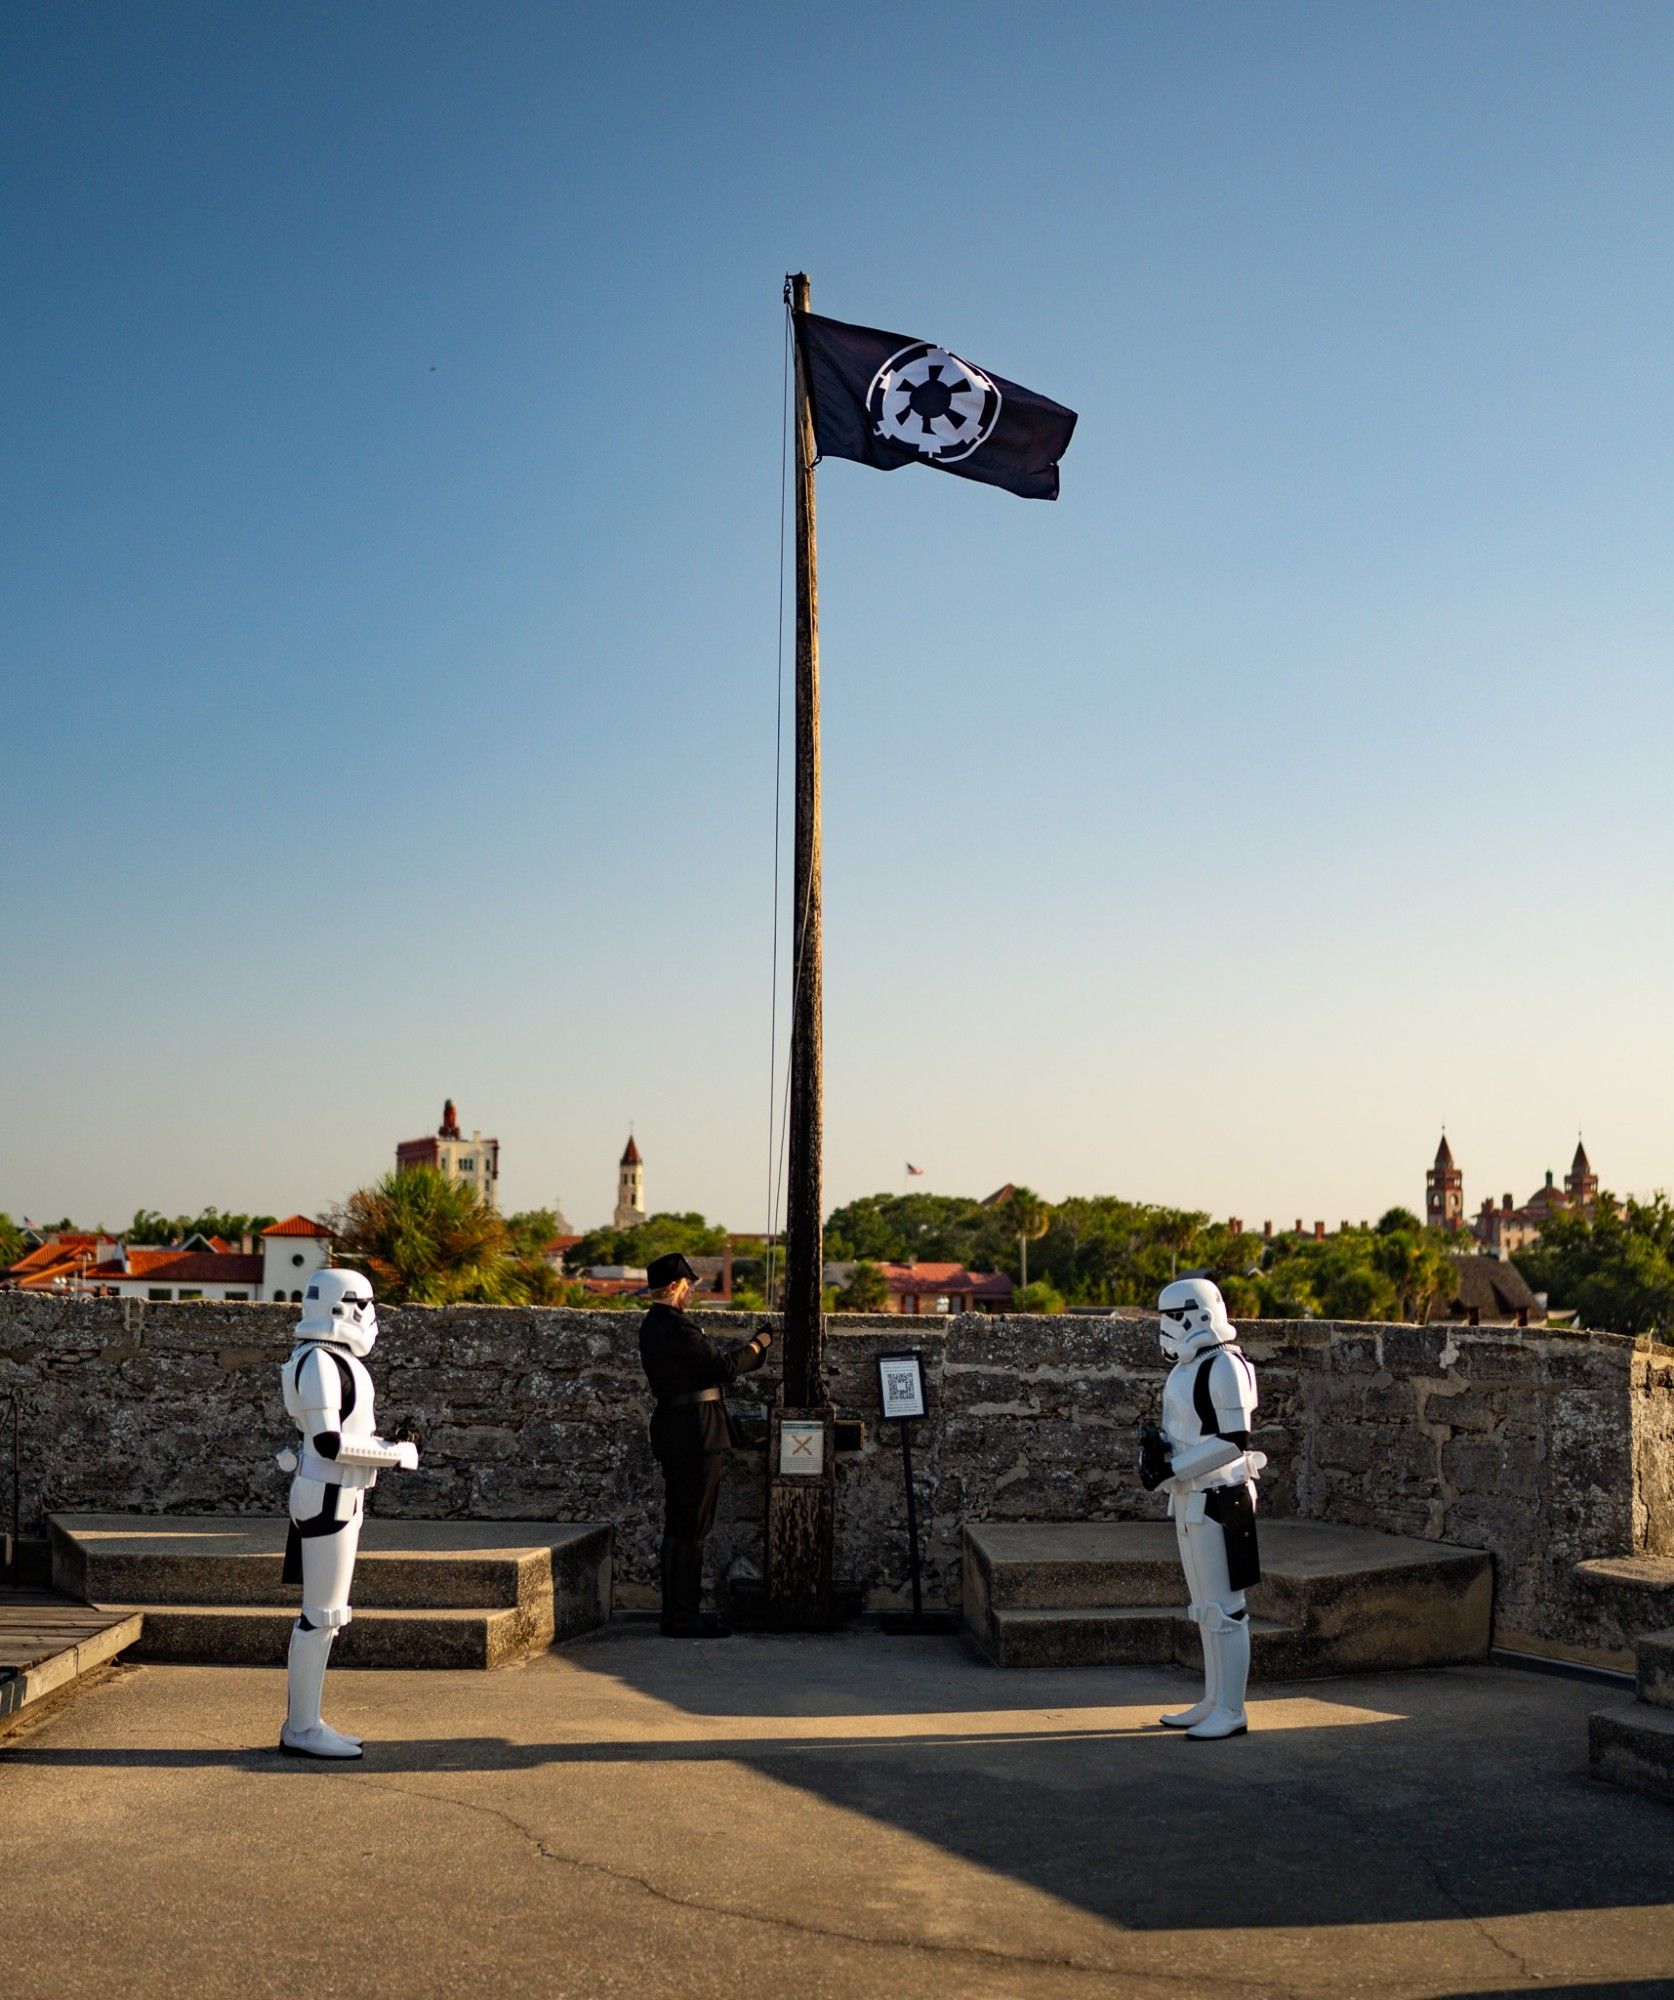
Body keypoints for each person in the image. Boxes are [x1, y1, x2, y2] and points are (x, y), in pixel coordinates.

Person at [275, 1268, 419, 1758]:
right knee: (321, 1615)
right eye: (365, 1303)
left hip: (340, 1495)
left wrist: (387, 1445)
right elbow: (329, 1442)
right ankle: (301, 1727)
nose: (370, 1315)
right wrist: (395, 1454)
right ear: (344, 1306)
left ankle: (307, 1721)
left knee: (327, 1617)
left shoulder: (330, 1359)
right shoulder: (318, 1361)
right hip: (328, 1495)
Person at [1138, 1276, 1266, 1740]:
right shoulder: (1187, 1367)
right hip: (1191, 1499)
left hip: (1222, 1498)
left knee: (1225, 1610)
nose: (1167, 1327)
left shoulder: (1226, 1366)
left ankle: (1232, 1709)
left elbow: (1235, 1440)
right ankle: (1214, 1700)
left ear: (1198, 1314)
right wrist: (1159, 1458)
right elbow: (1183, 1431)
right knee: (1204, 1607)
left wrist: (1173, 1466)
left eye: (1173, 1317)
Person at [637, 1251, 775, 1637]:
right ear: (676, 1286)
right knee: (693, 1526)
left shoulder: (652, 1327)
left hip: (675, 1430)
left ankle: (675, 1612)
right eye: (688, 1286)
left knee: (678, 1524)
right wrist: (759, 1345)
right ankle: (684, 1616)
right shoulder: (679, 1329)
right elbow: (723, 1368)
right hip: (696, 1434)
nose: (691, 1293)